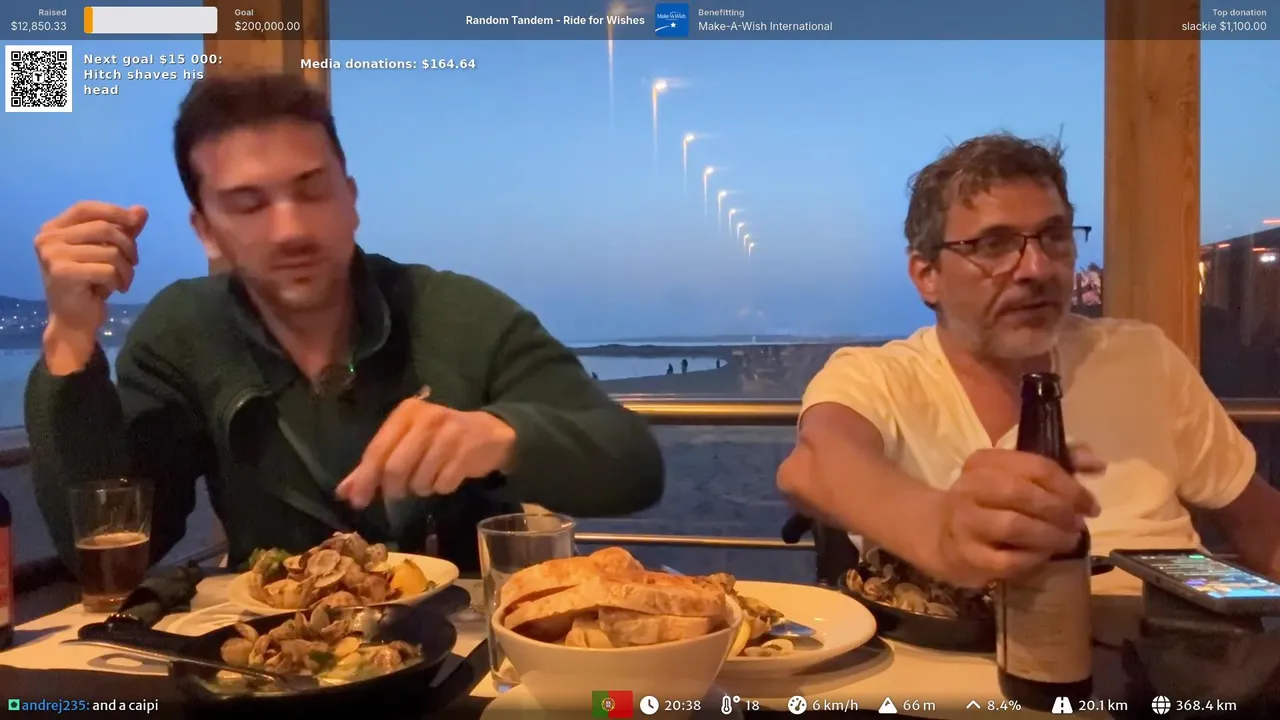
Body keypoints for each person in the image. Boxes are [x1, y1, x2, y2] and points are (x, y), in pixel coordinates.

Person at [25, 73, 664, 573]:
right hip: (265, 667)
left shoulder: (455, 311)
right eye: (248, 204)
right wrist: (70, 341)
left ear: (351, 199)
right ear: (205, 230)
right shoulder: (183, 330)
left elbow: (633, 465)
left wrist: (502, 436)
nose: (291, 229)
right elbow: (114, 550)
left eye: (312, 190)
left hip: (459, 658)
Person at [777, 133, 1280, 589]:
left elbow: (1263, 528)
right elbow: (814, 464)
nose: (1037, 268)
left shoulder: (1141, 358)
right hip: (961, 656)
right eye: (994, 245)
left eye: (1054, 236)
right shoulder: (879, 377)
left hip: (1169, 649)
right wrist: (939, 531)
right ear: (927, 274)